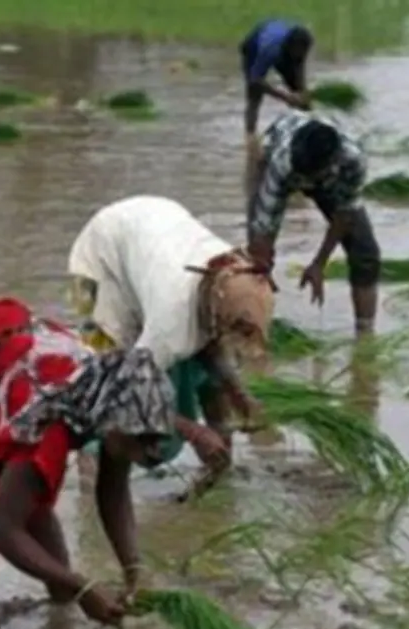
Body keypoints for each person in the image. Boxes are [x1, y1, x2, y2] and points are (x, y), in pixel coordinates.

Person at [0, 297, 217, 629]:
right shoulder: (49, 424)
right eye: (137, 444)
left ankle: (58, 615)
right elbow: (2, 530)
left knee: (28, 500)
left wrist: (133, 568)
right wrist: (82, 587)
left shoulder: (113, 398)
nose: (141, 455)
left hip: (4, 366)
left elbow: (112, 491)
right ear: (113, 425)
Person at [68, 195, 275, 500]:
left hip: (149, 234)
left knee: (206, 372)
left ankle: (215, 485)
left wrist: (238, 393)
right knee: (103, 380)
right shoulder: (170, 324)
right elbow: (127, 390)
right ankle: (93, 495)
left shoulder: (232, 275)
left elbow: (211, 343)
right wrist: (193, 431)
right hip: (96, 263)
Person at [247, 110, 381, 334]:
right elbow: (265, 223)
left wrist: (319, 264)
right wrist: (262, 268)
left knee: (365, 253)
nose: (306, 184)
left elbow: (344, 213)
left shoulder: (352, 161)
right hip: (275, 157)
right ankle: (255, 325)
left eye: (312, 177)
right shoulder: (282, 162)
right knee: (255, 259)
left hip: (330, 179)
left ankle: (365, 334)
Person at [241, 20, 313, 138]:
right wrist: (285, 97)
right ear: (290, 46)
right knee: (254, 96)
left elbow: (299, 67)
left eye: (303, 52)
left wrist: (302, 91)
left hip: (283, 48)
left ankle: (307, 131)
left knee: (301, 97)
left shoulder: (301, 46)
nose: (301, 55)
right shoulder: (269, 49)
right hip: (253, 49)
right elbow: (256, 80)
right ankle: (251, 137)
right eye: (298, 52)